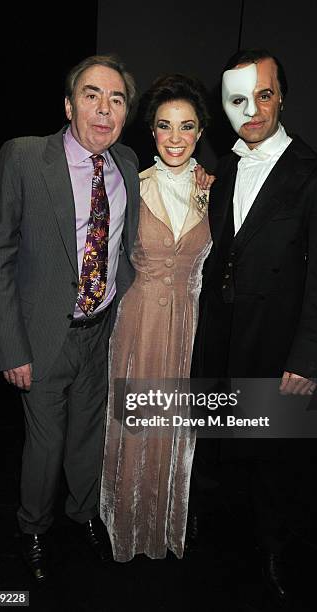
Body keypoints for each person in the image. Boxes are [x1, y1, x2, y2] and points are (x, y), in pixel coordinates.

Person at [191, 48, 317, 601]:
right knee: (226, 447)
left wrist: (307, 361)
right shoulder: (226, 166)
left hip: (277, 341)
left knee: (277, 461)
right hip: (222, 333)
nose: (252, 109)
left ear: (282, 95)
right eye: (239, 98)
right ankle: (223, 545)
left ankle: (274, 553)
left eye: (264, 94)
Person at [0, 54, 141, 581]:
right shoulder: (25, 157)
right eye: (92, 95)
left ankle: (82, 515)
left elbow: (125, 247)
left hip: (98, 333)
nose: (104, 107)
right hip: (43, 335)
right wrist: (12, 347)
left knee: (86, 437)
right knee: (45, 444)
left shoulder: (128, 165)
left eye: (116, 99)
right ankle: (32, 527)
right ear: (69, 104)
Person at [100, 73, 213, 562]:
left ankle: (164, 527)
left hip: (187, 331)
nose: (174, 138)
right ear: (151, 131)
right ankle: (122, 528)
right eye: (165, 126)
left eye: (185, 127)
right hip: (137, 325)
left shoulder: (214, 190)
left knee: (172, 431)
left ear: (200, 133)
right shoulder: (131, 185)